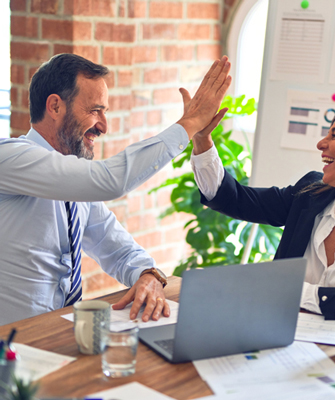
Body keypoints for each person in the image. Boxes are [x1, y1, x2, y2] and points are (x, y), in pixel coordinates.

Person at [0, 53, 231, 326]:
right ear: (55, 106)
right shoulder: (10, 158)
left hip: (59, 337)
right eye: (94, 110)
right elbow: (110, 180)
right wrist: (189, 124)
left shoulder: (76, 185)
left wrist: (147, 274)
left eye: (105, 112)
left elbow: (119, 250)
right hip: (12, 347)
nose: (103, 126)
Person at [190, 99, 335, 328]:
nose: (321, 144)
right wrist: (202, 140)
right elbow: (235, 199)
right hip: (287, 339)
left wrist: (290, 291)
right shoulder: (309, 194)